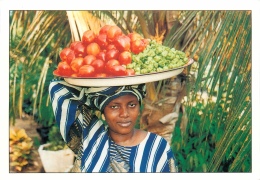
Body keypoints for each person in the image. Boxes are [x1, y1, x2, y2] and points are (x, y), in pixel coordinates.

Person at [48, 78, 178, 173]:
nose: (125, 114)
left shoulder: (156, 146)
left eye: (132, 105)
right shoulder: (91, 137)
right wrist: (94, 96)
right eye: (114, 106)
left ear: (139, 107)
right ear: (103, 111)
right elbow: (57, 87)